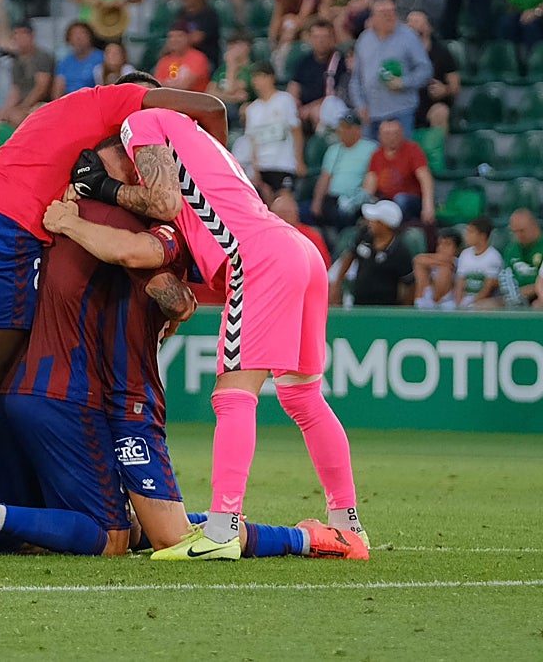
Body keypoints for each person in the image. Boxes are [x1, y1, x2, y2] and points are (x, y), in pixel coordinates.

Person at [0, 72, 228, 555]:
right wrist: (210, 172)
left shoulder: (60, 114)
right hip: (11, 224)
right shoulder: (123, 104)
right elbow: (211, 107)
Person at [48, 96, 364, 560]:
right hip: (297, 250)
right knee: (303, 398)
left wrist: (101, 187)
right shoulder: (199, 141)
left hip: (257, 258)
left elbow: (162, 200)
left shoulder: (142, 122)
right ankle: (347, 525)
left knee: (233, 395)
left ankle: (221, 529)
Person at [349, 0, 433, 137]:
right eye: (384, 13)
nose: (389, 16)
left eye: (392, 11)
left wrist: (404, 82)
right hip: (371, 114)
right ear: (373, 17)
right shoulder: (364, 39)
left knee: (400, 150)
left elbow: (425, 69)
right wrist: (360, 105)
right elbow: (356, 78)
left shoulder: (409, 36)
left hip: (401, 111)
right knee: (371, 151)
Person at [332, 199, 414, 306]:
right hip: (359, 303)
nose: (369, 223)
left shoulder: (400, 251)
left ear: (384, 225)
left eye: (374, 221)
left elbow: (409, 284)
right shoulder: (365, 235)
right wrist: (337, 285)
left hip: (386, 307)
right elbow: (350, 256)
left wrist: (403, 309)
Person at [242, 61, 305, 201]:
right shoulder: (252, 109)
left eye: (260, 76)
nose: (257, 81)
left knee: (284, 201)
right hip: (263, 166)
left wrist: (299, 160)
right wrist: (256, 170)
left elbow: (296, 131)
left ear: (271, 77)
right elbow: (253, 141)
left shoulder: (285, 100)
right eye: (254, 77)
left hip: (284, 164)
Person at [306, 112, 378, 228]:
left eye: (347, 127)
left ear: (358, 130)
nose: (342, 131)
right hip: (332, 198)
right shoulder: (333, 150)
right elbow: (325, 177)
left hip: (355, 199)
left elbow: (372, 176)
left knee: (342, 214)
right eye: (341, 127)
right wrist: (317, 202)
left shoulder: (371, 148)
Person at [362, 119, 436, 224]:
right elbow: (370, 182)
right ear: (380, 136)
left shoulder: (413, 150)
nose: (392, 137)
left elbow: (425, 177)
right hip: (387, 201)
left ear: (402, 134)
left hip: (409, 201)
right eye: (387, 134)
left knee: (400, 199)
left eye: (395, 133)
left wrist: (428, 205)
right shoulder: (376, 155)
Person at [289, 19, 347, 131]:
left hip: (329, 105)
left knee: (317, 112)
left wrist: (309, 107)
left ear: (332, 38)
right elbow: (294, 85)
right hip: (303, 107)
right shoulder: (304, 61)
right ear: (310, 38)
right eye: (316, 37)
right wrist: (294, 102)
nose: (320, 41)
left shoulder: (339, 61)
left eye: (325, 37)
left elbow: (337, 93)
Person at [495, 208, 543, 308]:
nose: (518, 235)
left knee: (538, 306)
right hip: (516, 296)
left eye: (522, 231)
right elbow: (506, 277)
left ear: (534, 226)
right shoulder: (511, 249)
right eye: (514, 232)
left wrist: (530, 290)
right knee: (484, 305)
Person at [2, 21, 54, 122]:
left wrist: (23, 107)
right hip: (23, 103)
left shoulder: (42, 57)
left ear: (32, 36)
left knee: (17, 118)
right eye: (16, 34)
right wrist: (7, 110)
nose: (19, 38)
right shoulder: (16, 60)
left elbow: (41, 88)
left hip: (41, 103)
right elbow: (15, 89)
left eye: (23, 34)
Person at [452, 216, 504, 309]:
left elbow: (488, 288)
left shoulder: (493, 257)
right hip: (464, 300)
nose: (466, 235)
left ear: (482, 236)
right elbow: (460, 283)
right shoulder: (465, 254)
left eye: (471, 232)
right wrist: (459, 304)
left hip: (482, 301)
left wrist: (470, 304)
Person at [270, 192, 330, 268]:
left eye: (286, 213)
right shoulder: (267, 236)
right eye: (278, 214)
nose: (283, 217)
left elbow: (324, 265)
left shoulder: (311, 236)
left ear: (296, 213)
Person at [152, 22, 210, 92]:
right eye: (171, 36)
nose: (174, 40)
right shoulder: (163, 61)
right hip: (167, 97)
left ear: (188, 38)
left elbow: (184, 86)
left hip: (193, 98)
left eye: (180, 36)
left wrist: (165, 84)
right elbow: (156, 86)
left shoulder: (198, 58)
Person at [414, 228, 462, 310]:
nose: (442, 247)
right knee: (420, 266)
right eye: (440, 244)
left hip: (447, 301)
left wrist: (444, 262)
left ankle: (434, 304)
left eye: (447, 244)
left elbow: (450, 262)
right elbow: (418, 259)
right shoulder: (432, 261)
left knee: (445, 269)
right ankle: (425, 304)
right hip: (426, 300)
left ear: (456, 249)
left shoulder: (460, 262)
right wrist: (441, 261)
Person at [53, 22, 103, 96]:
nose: (78, 38)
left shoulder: (102, 58)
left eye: (82, 33)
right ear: (69, 40)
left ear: (90, 37)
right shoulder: (64, 63)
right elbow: (58, 89)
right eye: (74, 35)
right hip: (69, 99)